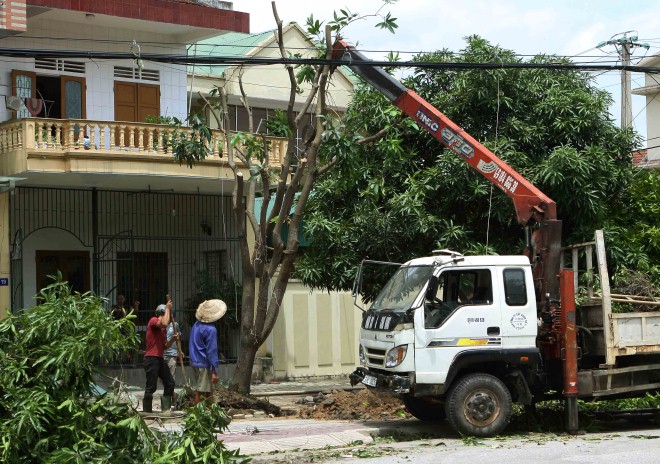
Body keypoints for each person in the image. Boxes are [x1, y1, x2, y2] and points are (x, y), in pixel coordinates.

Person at [143, 300, 179, 413]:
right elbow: (163, 323)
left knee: (170, 383)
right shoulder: (153, 321)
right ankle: (147, 411)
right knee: (151, 386)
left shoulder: (162, 331)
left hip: (159, 358)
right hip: (151, 358)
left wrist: (173, 339)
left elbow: (164, 347)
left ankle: (166, 409)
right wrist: (168, 308)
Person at [189, 299, 227, 405]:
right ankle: (198, 415)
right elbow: (211, 351)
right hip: (203, 362)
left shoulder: (196, 325)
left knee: (208, 390)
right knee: (201, 391)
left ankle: (210, 413)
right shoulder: (211, 329)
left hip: (194, 361)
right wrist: (214, 370)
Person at [163, 304, 183, 407]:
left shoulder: (175, 325)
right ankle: (173, 396)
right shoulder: (162, 324)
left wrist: (180, 351)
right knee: (164, 379)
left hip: (172, 355)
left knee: (171, 378)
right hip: (162, 354)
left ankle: (172, 399)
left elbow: (178, 339)